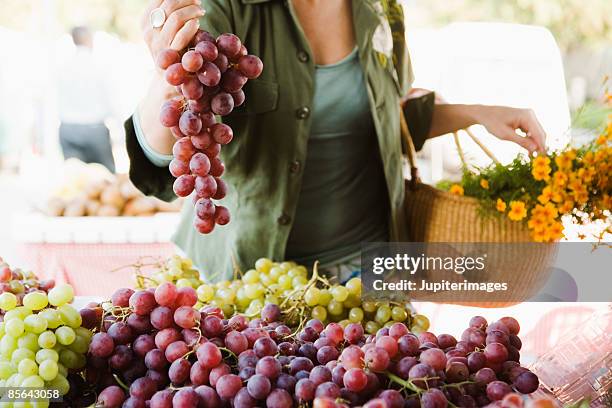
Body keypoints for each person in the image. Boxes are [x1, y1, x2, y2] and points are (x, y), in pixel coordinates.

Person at [126, 0, 547, 280]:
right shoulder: (225, 7)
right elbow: (168, 149)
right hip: (253, 278)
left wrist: (478, 114)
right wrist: (166, 78)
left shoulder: (381, 8)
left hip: (372, 271)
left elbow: (387, 116)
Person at [58, 26, 116, 172]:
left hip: (68, 128)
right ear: (88, 39)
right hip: (94, 129)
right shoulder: (99, 65)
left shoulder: (63, 67)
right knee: (106, 181)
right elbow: (112, 100)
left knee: (76, 181)